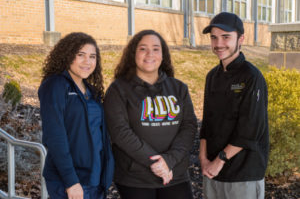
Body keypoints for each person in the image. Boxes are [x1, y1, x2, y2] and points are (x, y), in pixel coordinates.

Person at [104, 29, 197, 199]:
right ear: (133, 53)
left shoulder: (178, 88)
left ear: (163, 55)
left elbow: (189, 127)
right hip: (135, 178)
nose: (149, 54)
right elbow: (120, 132)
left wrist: (169, 161)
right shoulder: (118, 89)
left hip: (174, 174)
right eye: (143, 48)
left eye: (155, 49)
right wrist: (156, 163)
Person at [198, 12, 269, 199]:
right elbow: (207, 123)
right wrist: (203, 159)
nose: (218, 44)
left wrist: (219, 161)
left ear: (241, 39)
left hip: (243, 174)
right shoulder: (212, 76)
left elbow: (250, 130)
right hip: (212, 172)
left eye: (226, 37)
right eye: (214, 37)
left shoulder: (252, 77)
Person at [38, 32, 114, 199]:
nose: (87, 61)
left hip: (95, 179)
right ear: (67, 55)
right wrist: (71, 181)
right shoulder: (56, 85)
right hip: (70, 181)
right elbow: (54, 136)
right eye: (81, 55)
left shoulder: (92, 91)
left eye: (92, 56)